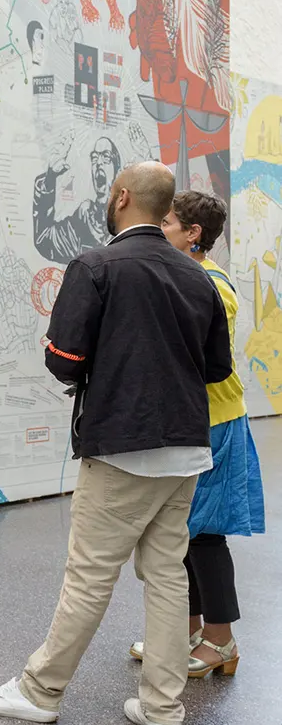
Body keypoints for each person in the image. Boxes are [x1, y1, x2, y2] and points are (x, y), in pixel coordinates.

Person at [0, 162, 232, 725]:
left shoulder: (95, 266)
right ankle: (164, 710)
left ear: (121, 197)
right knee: (167, 576)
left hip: (120, 447)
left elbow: (64, 360)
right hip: (186, 449)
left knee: (89, 576)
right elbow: (217, 368)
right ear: (166, 210)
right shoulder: (199, 279)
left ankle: (40, 692)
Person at [125, 191, 266, 676]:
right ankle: (183, 634)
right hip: (190, 423)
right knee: (179, 533)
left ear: (193, 234)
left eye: (166, 223)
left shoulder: (212, 286)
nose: (158, 229)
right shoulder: (187, 277)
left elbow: (195, 356)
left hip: (216, 423)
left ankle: (221, 642)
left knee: (205, 535)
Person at [33, 135, 121, 263]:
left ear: (117, 171)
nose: (98, 162)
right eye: (94, 157)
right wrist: (50, 179)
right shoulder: (86, 218)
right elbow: (44, 240)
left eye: (106, 157)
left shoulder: (129, 222)